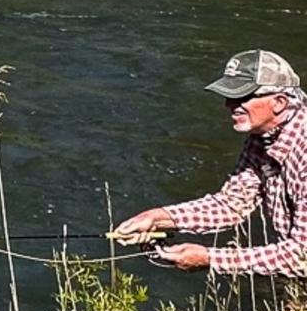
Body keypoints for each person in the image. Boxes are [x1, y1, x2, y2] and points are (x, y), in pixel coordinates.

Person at [114, 49, 307, 273]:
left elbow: (302, 256)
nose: (229, 105)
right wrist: (158, 217)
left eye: (241, 97)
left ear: (279, 102)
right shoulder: (262, 138)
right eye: (228, 96)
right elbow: (231, 204)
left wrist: (210, 258)